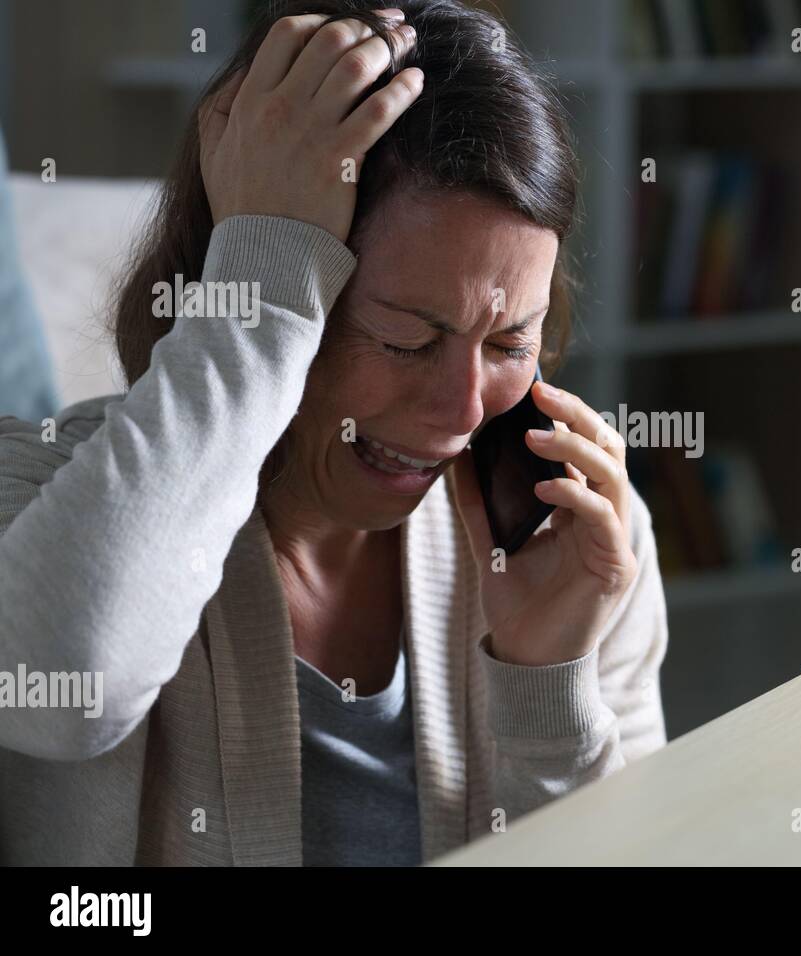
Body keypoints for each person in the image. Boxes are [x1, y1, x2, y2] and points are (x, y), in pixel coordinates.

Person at [0, 0, 668, 866]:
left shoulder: (571, 538)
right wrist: (261, 278)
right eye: (403, 338)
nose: (465, 412)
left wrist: (546, 695)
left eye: (509, 342)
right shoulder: (34, 494)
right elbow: (70, 692)